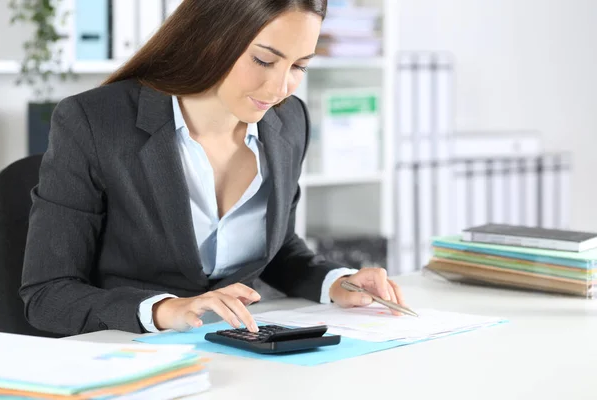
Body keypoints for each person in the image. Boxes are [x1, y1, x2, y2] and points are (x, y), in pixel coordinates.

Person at [20, 0, 407, 336]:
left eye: (299, 66)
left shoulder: (289, 124)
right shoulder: (92, 121)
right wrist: (164, 310)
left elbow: (277, 250)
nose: (280, 88)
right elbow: (48, 294)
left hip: (235, 353)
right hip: (127, 352)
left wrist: (337, 282)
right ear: (212, 37)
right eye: (264, 60)